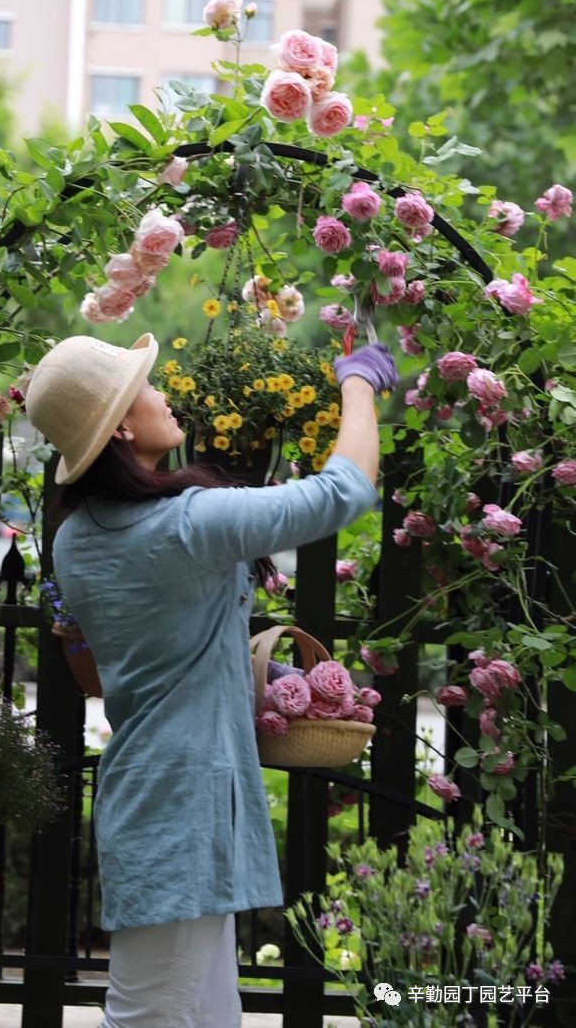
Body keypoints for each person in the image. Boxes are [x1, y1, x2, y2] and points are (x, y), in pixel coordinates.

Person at [25, 331, 397, 1028]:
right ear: (124, 426)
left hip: (162, 793)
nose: (166, 394)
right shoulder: (183, 527)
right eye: (148, 385)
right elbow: (342, 491)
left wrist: (269, 671)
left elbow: (164, 642)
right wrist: (359, 383)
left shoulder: (78, 537)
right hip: (186, 804)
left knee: (202, 1015)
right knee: (150, 1016)